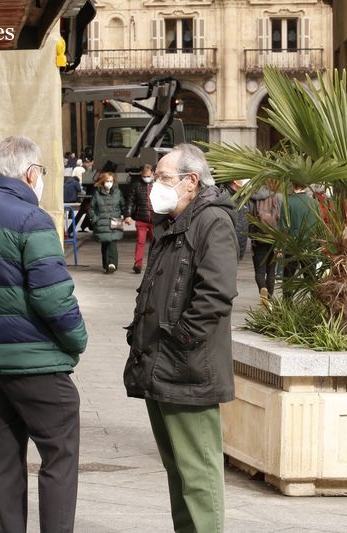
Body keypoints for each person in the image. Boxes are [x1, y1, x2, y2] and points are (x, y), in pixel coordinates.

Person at [0, 135, 88, 533]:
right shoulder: (33, 220)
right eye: (42, 172)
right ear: (31, 173)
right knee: (59, 455)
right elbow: (54, 296)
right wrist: (77, 339)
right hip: (37, 362)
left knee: (6, 457)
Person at [123, 143, 238, 533]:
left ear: (191, 182)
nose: (156, 183)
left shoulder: (212, 221)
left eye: (164, 177)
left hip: (188, 367)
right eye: (156, 177)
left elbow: (216, 293)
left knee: (199, 474)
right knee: (179, 470)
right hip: (161, 363)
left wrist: (181, 342)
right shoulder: (172, 222)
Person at [281, 182, 321, 295]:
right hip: (310, 243)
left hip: (292, 244)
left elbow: (283, 227)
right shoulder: (314, 203)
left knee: (288, 277)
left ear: (292, 186)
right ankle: (313, 304)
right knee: (311, 278)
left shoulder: (288, 202)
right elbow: (320, 225)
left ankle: (287, 304)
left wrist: (279, 247)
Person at [249, 185, 282, 305]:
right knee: (271, 270)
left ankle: (262, 289)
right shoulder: (278, 197)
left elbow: (249, 219)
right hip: (274, 238)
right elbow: (281, 219)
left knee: (259, 271)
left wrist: (251, 236)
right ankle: (270, 296)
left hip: (258, 238)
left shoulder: (253, 198)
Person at [89, 171, 127, 273]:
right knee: (105, 243)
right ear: (102, 182)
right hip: (101, 222)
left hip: (114, 221)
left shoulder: (118, 192)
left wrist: (127, 216)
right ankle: (107, 264)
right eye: (107, 181)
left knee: (112, 242)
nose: (109, 183)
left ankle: (112, 264)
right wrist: (95, 219)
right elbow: (91, 208)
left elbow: (123, 205)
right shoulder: (97, 193)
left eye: (111, 181)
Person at [127, 163, 155, 273]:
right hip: (141, 218)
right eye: (144, 176)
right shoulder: (136, 185)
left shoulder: (157, 185)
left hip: (155, 219)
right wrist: (128, 215)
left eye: (148, 176)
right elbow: (130, 201)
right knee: (140, 242)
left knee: (155, 242)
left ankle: (154, 263)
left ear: (152, 174)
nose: (146, 178)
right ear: (141, 174)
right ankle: (138, 264)